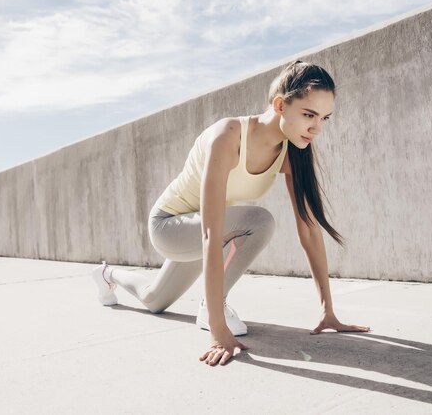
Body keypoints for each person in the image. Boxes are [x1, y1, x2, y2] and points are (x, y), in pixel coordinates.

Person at [91, 60, 371, 366]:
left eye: (324, 118)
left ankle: (107, 274)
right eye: (309, 115)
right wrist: (217, 327)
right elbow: (211, 235)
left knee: (153, 300)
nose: (317, 128)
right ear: (280, 105)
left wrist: (327, 310)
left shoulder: (293, 153)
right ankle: (212, 307)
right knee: (259, 221)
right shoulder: (229, 135)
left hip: (208, 229)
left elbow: (309, 229)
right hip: (170, 225)